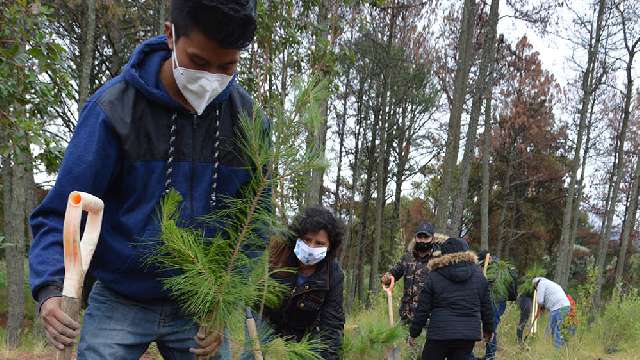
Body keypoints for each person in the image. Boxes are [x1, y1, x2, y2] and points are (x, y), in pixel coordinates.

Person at [28, 1, 263, 359]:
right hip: (122, 294)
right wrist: (50, 288)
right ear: (170, 35)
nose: (211, 78)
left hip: (204, 303)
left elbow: (255, 220)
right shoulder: (115, 109)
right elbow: (63, 211)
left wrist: (226, 299)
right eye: (199, 63)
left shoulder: (247, 120)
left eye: (227, 66)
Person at [264, 206, 345, 360]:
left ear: (329, 248)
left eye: (319, 243)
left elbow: (332, 324)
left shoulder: (333, 275)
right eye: (307, 240)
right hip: (265, 320)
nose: (311, 247)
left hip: (302, 331)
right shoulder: (277, 254)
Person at [409, 238, 494, 360]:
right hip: (467, 335)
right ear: (466, 253)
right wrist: (488, 330)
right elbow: (486, 307)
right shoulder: (478, 275)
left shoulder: (434, 275)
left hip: (439, 333)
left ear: (443, 254)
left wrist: (414, 333)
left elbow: (423, 309)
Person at [381, 222, 438, 324]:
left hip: (429, 320)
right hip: (406, 317)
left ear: (432, 238)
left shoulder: (439, 260)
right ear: (415, 238)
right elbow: (394, 272)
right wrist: (387, 277)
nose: (422, 240)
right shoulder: (407, 257)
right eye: (420, 237)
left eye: (426, 237)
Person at [474, 250, 517, 360]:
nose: (481, 266)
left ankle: (490, 356)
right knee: (490, 326)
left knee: (491, 327)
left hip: (496, 302)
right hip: (497, 302)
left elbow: (487, 281)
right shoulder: (497, 267)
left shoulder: (495, 267)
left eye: (482, 264)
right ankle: (489, 355)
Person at [532, 277, 571, 348]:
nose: (536, 290)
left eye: (535, 288)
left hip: (559, 308)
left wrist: (538, 311)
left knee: (557, 330)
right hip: (565, 306)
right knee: (554, 329)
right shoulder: (552, 284)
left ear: (535, 284)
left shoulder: (541, 284)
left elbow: (540, 300)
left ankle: (558, 351)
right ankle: (554, 348)